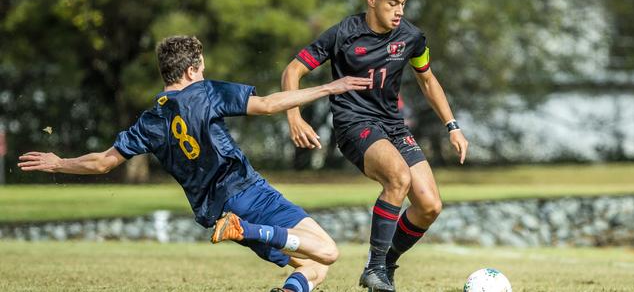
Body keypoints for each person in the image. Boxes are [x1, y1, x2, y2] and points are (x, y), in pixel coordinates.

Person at [18, 35, 372, 292]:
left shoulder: (151, 120)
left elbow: (102, 164)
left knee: (310, 267)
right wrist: (329, 87)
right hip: (247, 193)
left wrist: (59, 162)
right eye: (201, 67)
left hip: (216, 212)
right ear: (190, 70)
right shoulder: (204, 92)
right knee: (328, 251)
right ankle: (247, 228)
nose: (204, 72)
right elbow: (266, 105)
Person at [282, 0, 469, 292]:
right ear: (372, 0)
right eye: (391, 3)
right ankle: (375, 266)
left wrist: (452, 126)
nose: (399, 11)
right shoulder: (343, 34)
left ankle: (384, 266)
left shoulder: (412, 37)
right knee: (398, 177)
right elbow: (293, 71)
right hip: (354, 124)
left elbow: (427, 80)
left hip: (392, 127)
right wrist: (294, 116)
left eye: (402, 3)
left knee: (429, 206)